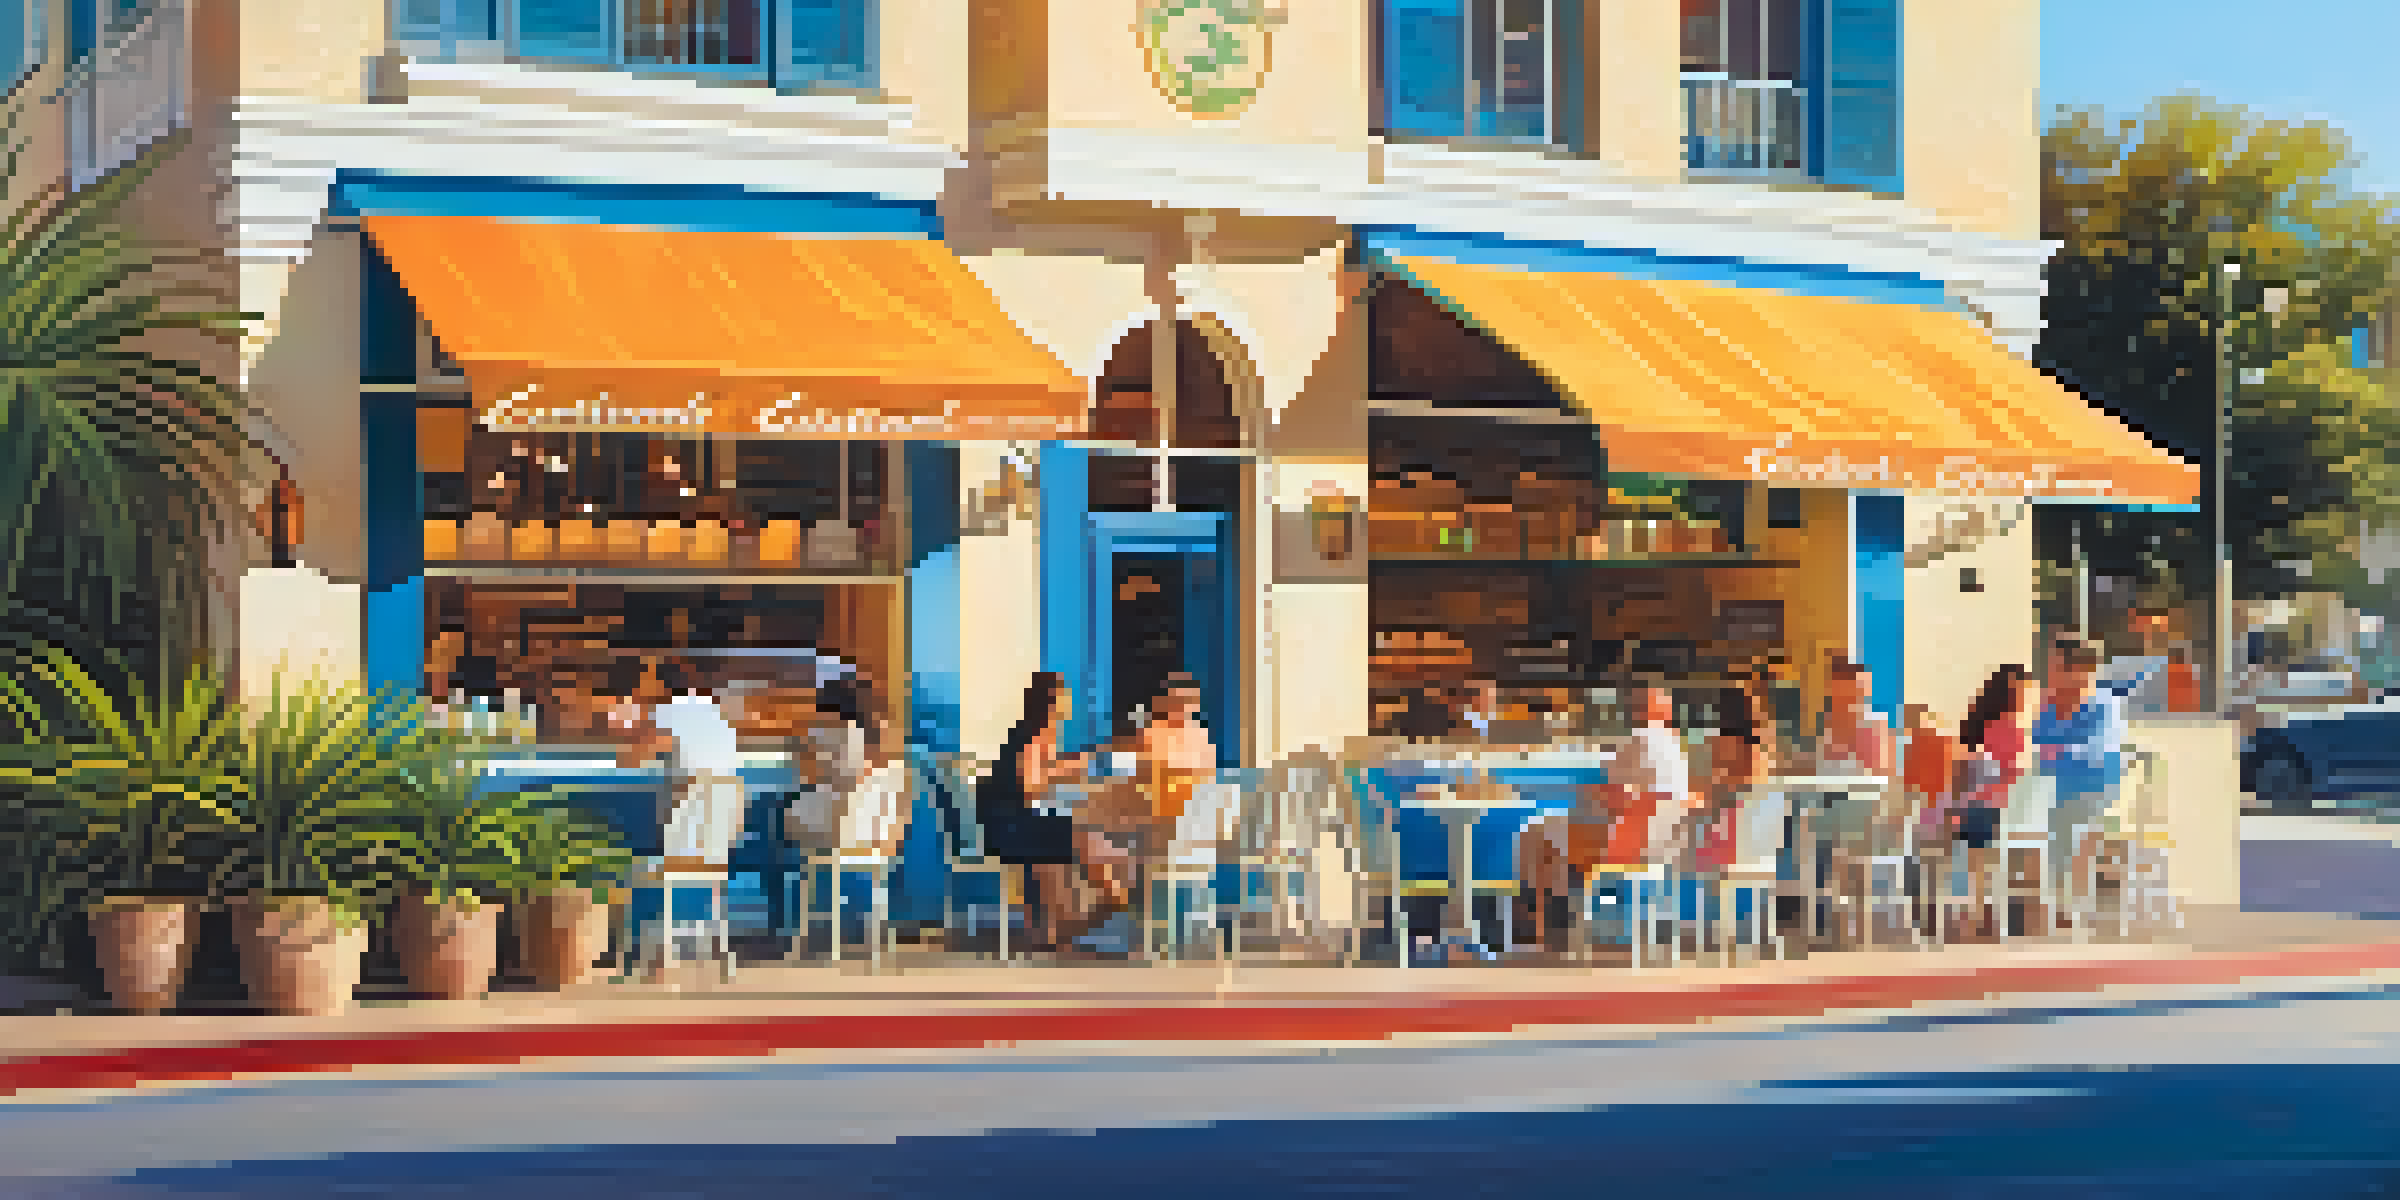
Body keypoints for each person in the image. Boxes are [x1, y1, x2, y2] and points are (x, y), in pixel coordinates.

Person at [1519, 682, 1692, 947]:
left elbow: (1616, 794)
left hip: (1627, 844)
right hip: (1668, 848)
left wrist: (1593, 792)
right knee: (1562, 846)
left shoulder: (1639, 741)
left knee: (1535, 834)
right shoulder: (1678, 751)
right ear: (1667, 711)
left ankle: (1544, 924)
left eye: (1638, 705)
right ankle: (1564, 919)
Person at [978, 673, 1133, 952]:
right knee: (1077, 836)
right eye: (1064, 697)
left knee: (1071, 839)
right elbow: (1031, 786)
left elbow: (1040, 775)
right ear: (1050, 704)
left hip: (1013, 825)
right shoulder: (1033, 735)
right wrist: (1067, 770)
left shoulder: (1037, 735)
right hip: (1009, 829)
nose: (1068, 703)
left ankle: (1065, 925)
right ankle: (1098, 905)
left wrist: (1069, 768)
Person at [2035, 634, 2128, 928]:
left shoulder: (2103, 703)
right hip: (2053, 787)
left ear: (2078, 669)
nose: (2049, 674)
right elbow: (2035, 744)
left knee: (2067, 825)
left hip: (2093, 787)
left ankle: (2068, 904)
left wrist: (2053, 751)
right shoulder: (2047, 705)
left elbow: (2097, 752)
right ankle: (2050, 902)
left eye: (2055, 666)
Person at [1950, 665, 2036, 941]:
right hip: (1998, 808)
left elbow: (1965, 771)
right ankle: (1992, 915)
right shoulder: (2010, 729)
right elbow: (2014, 774)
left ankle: (1979, 914)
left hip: (1975, 807)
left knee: (1978, 861)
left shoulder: (1980, 726)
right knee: (1994, 859)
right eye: (2022, 692)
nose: (2025, 699)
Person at [1132, 673, 1219, 829]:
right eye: (1177, 701)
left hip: (1193, 810)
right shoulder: (1153, 732)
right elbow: (1144, 776)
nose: (1182, 707)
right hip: (1158, 811)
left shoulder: (1200, 734)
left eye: (1188, 701)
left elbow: (1207, 777)